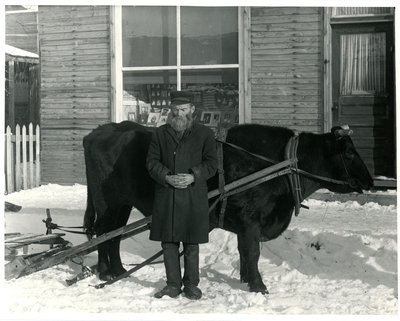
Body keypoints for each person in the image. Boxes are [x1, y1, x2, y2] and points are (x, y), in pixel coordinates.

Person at [146, 91, 218, 300]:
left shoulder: (204, 134)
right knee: (168, 242)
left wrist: (193, 176)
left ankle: (191, 285)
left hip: (193, 195)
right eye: (175, 110)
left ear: (192, 110)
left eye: (184, 109)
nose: (179, 113)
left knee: (191, 243)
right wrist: (166, 177)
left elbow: (212, 164)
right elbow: (151, 163)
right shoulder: (160, 134)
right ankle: (172, 285)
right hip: (167, 194)